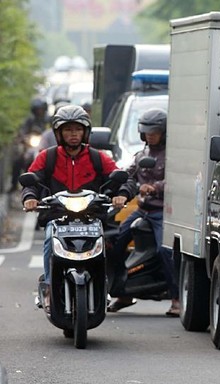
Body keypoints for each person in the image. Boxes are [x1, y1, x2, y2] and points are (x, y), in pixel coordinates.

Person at [21, 105, 128, 313]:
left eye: (77, 129)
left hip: (91, 217)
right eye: (68, 130)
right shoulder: (47, 157)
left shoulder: (98, 157)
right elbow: (30, 181)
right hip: (58, 217)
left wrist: (122, 194)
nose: (73, 134)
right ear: (59, 133)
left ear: (85, 132)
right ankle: (52, 286)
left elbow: (122, 178)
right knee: (49, 242)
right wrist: (30, 198)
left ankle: (102, 284)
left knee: (106, 244)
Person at [107, 108, 179, 316]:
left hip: (162, 212)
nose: (150, 135)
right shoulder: (141, 155)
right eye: (147, 131)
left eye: (154, 131)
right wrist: (116, 185)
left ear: (164, 132)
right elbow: (128, 176)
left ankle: (176, 298)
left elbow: (177, 181)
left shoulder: (172, 156)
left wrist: (155, 187)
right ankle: (123, 293)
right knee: (115, 241)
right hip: (142, 210)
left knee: (165, 250)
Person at [10, 97, 49, 192]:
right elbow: (23, 131)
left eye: (41, 109)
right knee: (18, 161)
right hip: (31, 146)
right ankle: (14, 185)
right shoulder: (30, 120)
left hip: (45, 147)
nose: (39, 111)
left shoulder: (48, 120)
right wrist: (24, 137)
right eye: (37, 109)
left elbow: (52, 132)